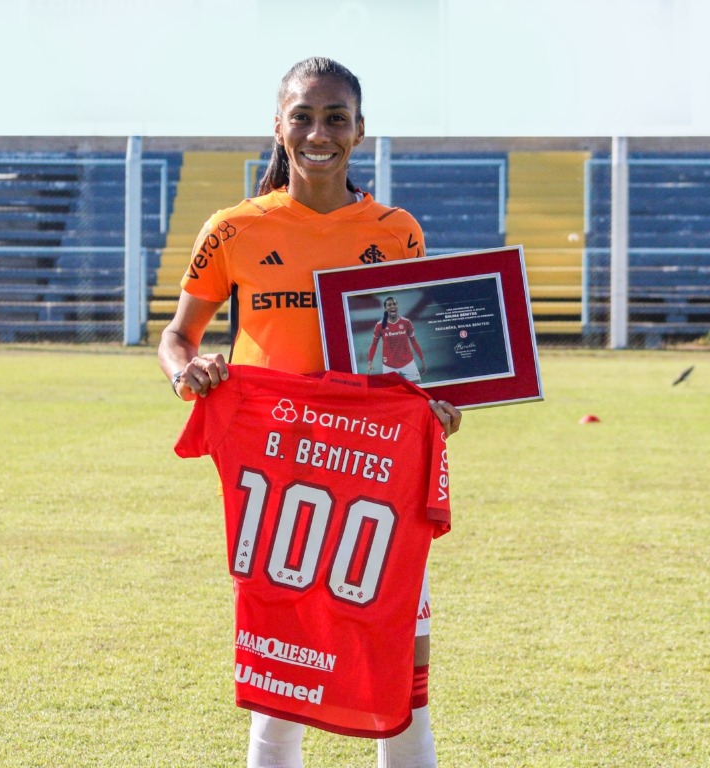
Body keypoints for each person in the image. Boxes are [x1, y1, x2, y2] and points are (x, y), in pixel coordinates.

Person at [158, 56, 461, 768]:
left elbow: (413, 354)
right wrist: (186, 373)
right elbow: (178, 336)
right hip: (275, 475)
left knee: (401, 683)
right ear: (278, 126)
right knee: (279, 683)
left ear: (360, 131)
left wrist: (435, 404)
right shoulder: (233, 230)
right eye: (303, 116)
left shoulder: (396, 231)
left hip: (373, 473)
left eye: (335, 118)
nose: (318, 132)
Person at [367, 296, 427, 383]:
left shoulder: (406, 322)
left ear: (397, 307)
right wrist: (370, 362)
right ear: (385, 309)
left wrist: (422, 360)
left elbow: (413, 341)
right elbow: (374, 344)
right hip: (389, 365)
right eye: (389, 305)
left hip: (408, 362)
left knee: (419, 388)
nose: (392, 306)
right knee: (391, 394)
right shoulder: (380, 325)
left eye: (394, 304)